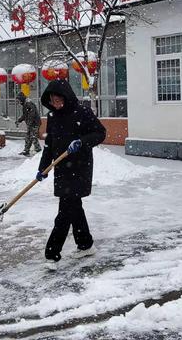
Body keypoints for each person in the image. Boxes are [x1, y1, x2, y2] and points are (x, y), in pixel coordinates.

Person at [36, 79, 106, 270]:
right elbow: (49, 144)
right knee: (74, 208)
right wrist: (43, 168)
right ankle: (85, 245)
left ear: (66, 97)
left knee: (65, 211)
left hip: (79, 168)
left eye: (58, 100)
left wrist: (81, 142)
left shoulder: (82, 112)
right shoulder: (53, 116)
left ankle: (52, 253)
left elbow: (100, 133)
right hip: (61, 169)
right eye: (52, 101)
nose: (56, 104)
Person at [15, 91, 42, 156]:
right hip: (31, 123)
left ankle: (39, 151)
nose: (18, 102)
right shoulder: (25, 104)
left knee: (33, 137)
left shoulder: (28, 104)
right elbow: (25, 115)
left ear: (21, 99)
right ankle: (26, 151)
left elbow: (32, 114)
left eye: (18, 100)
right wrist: (19, 120)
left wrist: (29, 123)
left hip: (34, 123)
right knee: (28, 137)